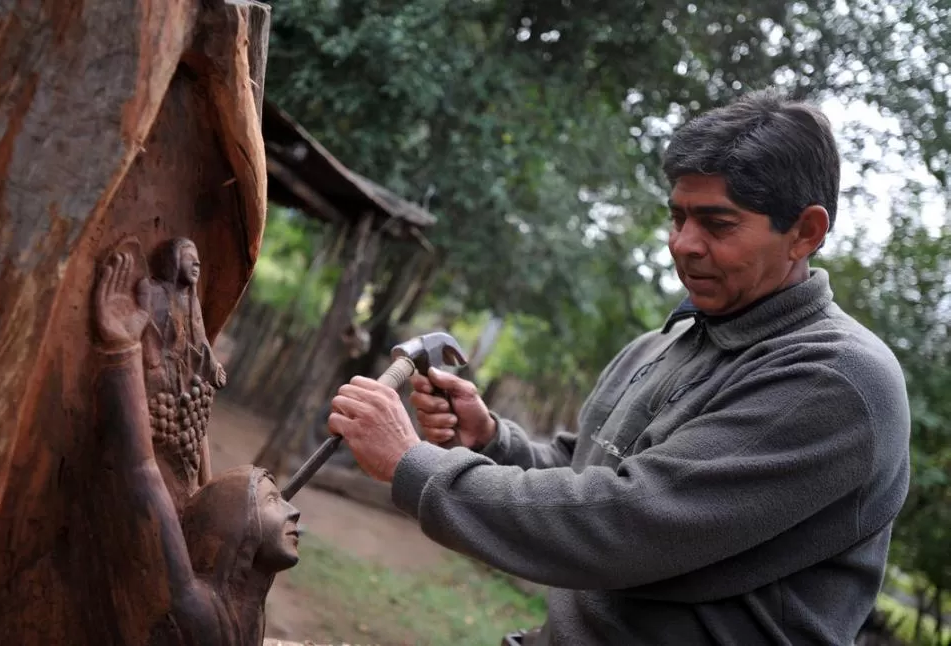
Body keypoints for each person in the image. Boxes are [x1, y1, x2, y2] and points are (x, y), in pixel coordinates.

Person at [328, 89, 911, 645]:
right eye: (677, 217)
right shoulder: (664, 344)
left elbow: (624, 523)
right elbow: (580, 467)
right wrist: (489, 439)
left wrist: (411, 464)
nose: (683, 243)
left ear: (805, 233)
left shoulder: (833, 379)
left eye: (717, 223)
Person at [93, 250, 301, 646]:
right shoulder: (197, 610)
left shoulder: (243, 607)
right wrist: (122, 351)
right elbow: (141, 470)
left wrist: (198, 403)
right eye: (274, 500)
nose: (294, 509)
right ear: (242, 529)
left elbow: (201, 489)